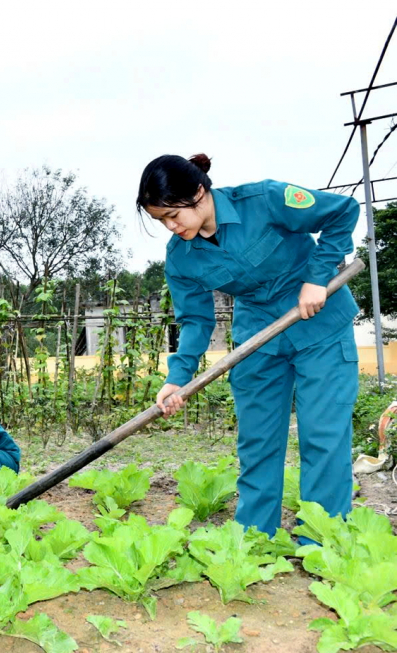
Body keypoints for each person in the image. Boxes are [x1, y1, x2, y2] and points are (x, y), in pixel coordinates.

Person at [137, 153, 360, 537]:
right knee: (257, 441)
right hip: (257, 338)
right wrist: (178, 377)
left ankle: (323, 543)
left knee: (323, 437)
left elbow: (342, 211)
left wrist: (317, 276)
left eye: (174, 215)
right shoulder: (181, 258)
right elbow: (195, 319)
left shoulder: (264, 200)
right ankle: (257, 538)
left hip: (320, 325)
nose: (171, 227)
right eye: (161, 221)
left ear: (199, 192)